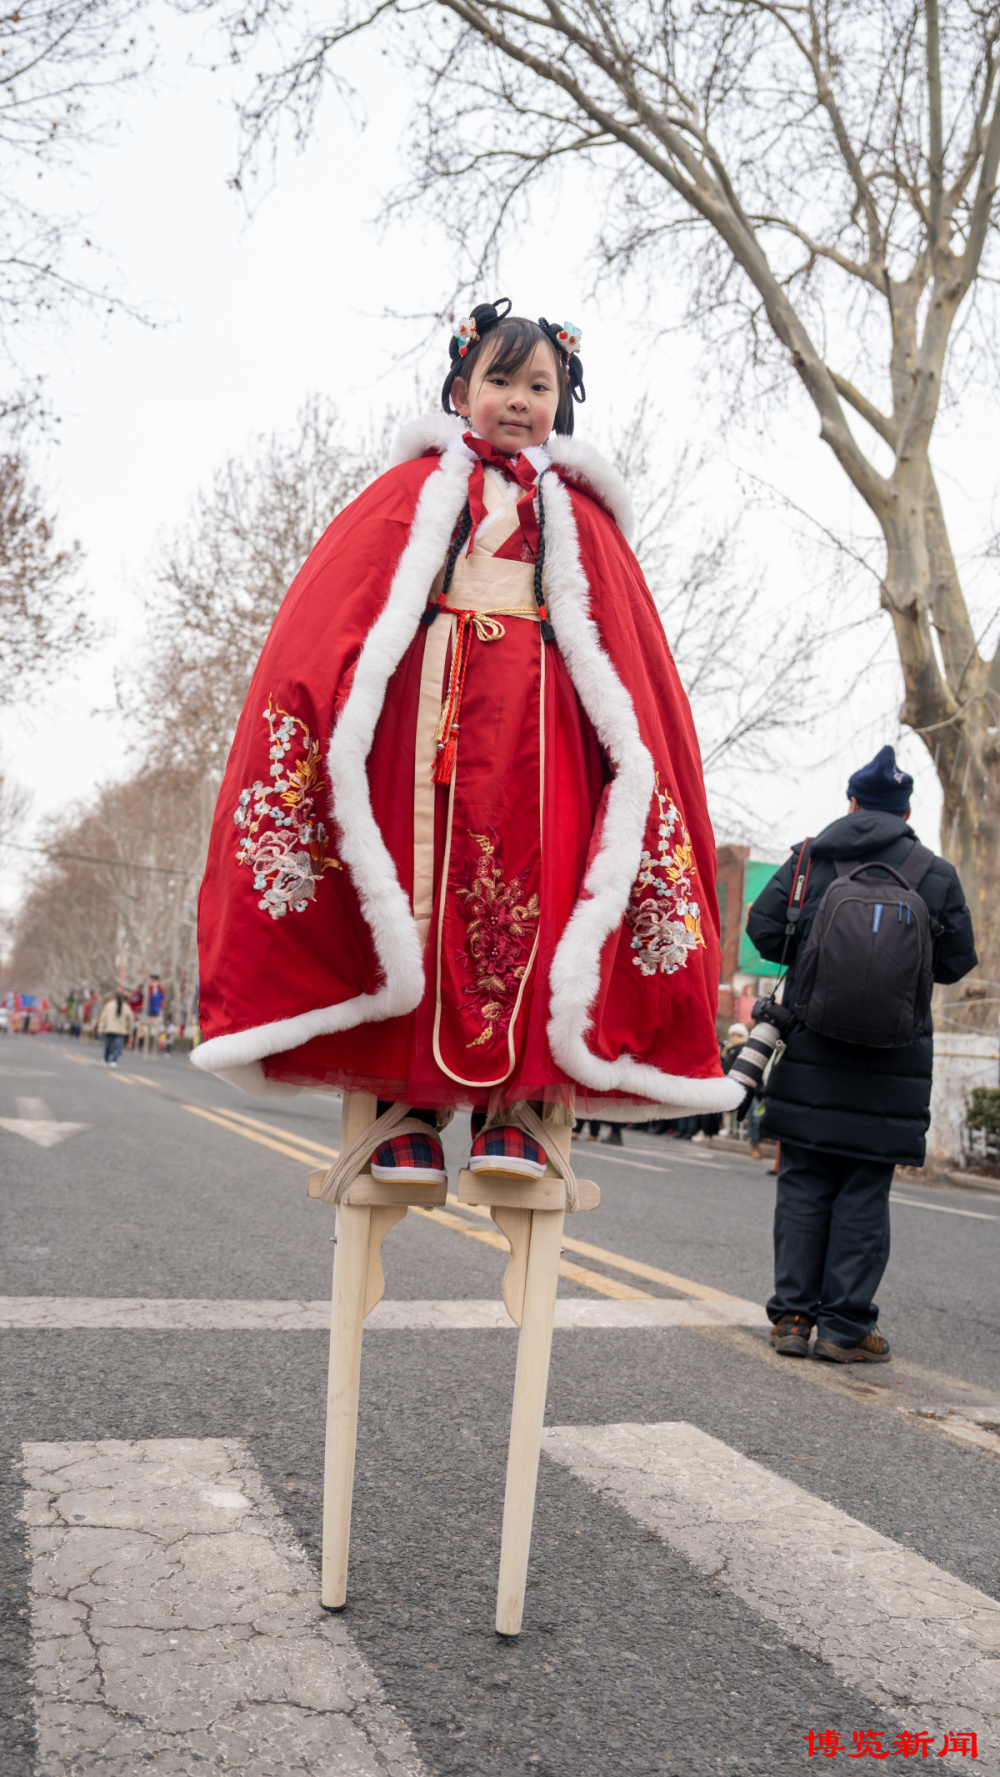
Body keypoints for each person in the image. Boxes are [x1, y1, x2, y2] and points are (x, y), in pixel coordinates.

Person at [193, 300, 740, 1175]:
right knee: (413, 901)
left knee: (545, 905)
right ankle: (403, 1109)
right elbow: (338, 617)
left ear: (561, 406)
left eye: (540, 386)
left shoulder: (582, 516)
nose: (520, 400)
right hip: (424, 734)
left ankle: (515, 1112)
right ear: (459, 391)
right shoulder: (408, 493)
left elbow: (627, 656)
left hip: (543, 741)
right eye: (500, 380)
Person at [746, 746, 976, 1363]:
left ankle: (793, 1319)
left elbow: (763, 931)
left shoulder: (809, 858)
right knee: (863, 1193)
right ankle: (846, 1329)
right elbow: (956, 963)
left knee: (802, 1183)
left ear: (851, 803)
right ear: (905, 811)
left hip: (811, 1049)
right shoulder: (935, 872)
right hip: (893, 1066)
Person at [97, 991, 135, 1067]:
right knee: (117, 1046)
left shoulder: (109, 1005)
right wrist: (130, 1031)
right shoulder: (126, 1007)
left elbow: (103, 1018)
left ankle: (105, 1058)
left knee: (108, 1044)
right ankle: (114, 1060)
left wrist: (100, 1028)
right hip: (120, 1030)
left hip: (110, 1029)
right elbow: (130, 1020)